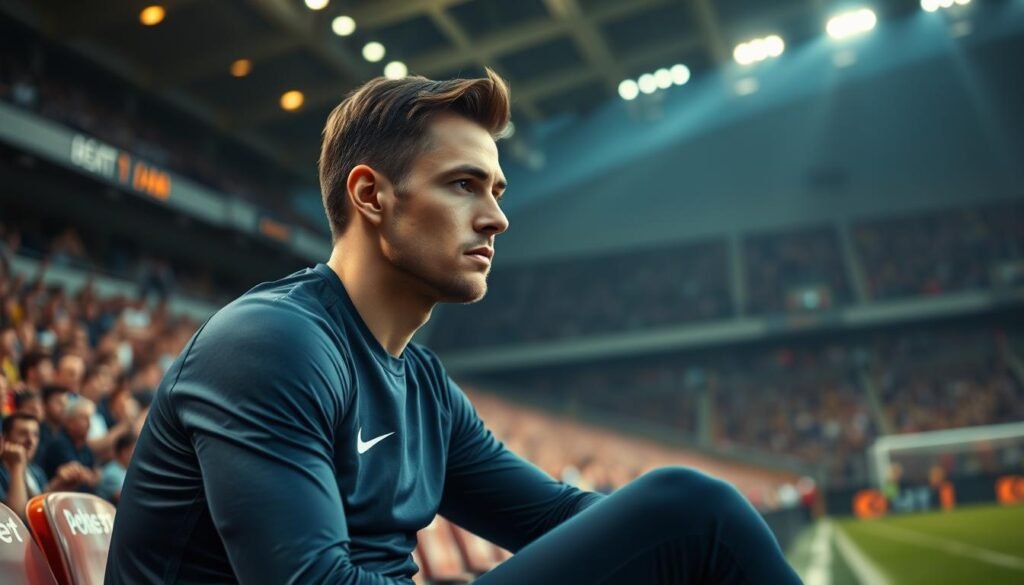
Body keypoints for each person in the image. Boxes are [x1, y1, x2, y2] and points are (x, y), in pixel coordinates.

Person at [106, 70, 802, 584]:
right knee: (693, 506)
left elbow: (560, 517)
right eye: (464, 185)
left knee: (682, 524)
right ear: (371, 194)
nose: (497, 218)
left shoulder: (423, 386)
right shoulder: (271, 343)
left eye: (496, 191)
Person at [0, 412, 93, 519]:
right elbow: (16, 518)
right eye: (23, 434)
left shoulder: (36, 471)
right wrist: (16, 467)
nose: (31, 441)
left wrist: (58, 484)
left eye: (35, 435)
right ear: (5, 439)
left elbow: (36, 508)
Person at [97, 432, 135, 504]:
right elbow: (127, 498)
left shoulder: (128, 470)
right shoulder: (112, 472)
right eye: (134, 449)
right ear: (124, 452)